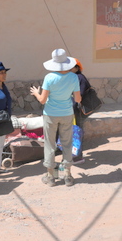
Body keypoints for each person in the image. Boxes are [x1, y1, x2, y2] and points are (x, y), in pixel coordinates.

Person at [30, 49, 81, 187]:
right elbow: (77, 98)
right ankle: (68, 176)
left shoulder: (49, 77)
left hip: (51, 115)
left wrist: (36, 92)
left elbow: (42, 100)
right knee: (67, 143)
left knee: (50, 145)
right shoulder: (73, 77)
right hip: (67, 114)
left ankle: (51, 176)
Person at [70, 59, 91, 164]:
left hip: (78, 110)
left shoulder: (79, 78)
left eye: (71, 67)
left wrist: (71, 109)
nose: (69, 69)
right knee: (75, 131)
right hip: (75, 109)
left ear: (77, 68)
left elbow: (78, 96)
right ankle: (74, 155)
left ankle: (77, 157)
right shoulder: (75, 77)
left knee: (77, 132)